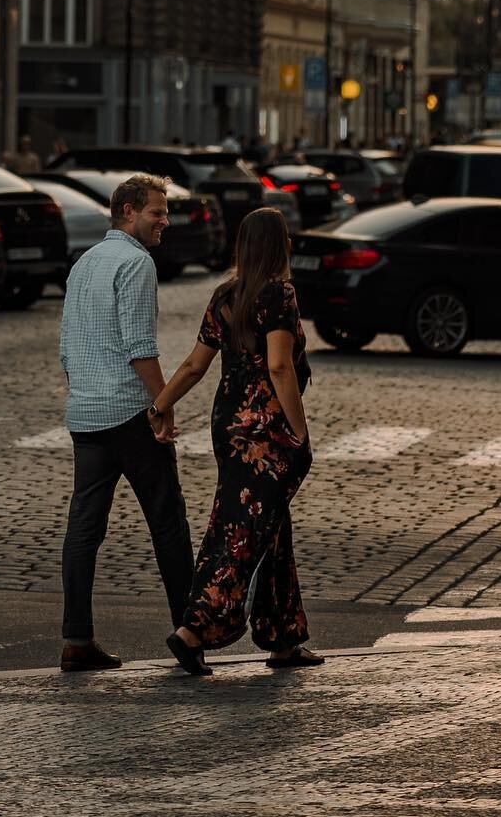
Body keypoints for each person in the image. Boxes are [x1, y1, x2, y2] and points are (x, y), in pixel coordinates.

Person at [156, 207, 319, 676]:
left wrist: (159, 405)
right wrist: (299, 431)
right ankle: (194, 630)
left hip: (228, 427)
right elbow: (279, 366)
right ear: (281, 244)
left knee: (268, 525)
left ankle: (283, 639)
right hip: (266, 433)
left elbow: (193, 365)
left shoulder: (226, 295)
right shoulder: (280, 293)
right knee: (240, 530)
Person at [57, 174, 193, 673]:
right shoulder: (136, 263)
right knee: (168, 523)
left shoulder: (84, 263)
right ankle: (189, 631)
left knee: (84, 528)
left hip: (86, 415)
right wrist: (162, 405)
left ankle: (76, 639)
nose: (165, 221)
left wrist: (83, 391)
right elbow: (140, 347)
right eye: (157, 212)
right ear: (128, 212)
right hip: (129, 415)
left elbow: (67, 346)